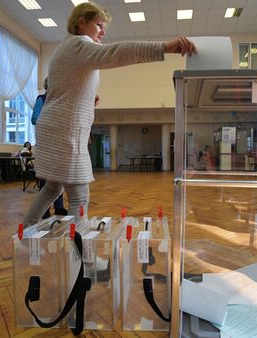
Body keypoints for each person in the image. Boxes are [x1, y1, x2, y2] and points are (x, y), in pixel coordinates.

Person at [24, 1, 196, 225]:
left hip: (55, 126)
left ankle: (25, 232)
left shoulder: (66, 47)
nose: (103, 32)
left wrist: (86, 98)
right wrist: (164, 47)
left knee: (52, 188)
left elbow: (62, 90)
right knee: (79, 197)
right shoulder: (79, 44)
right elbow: (117, 53)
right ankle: (83, 258)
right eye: (98, 25)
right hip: (64, 132)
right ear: (81, 23)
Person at [31, 78, 68, 218]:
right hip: (46, 144)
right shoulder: (42, 99)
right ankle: (45, 209)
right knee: (45, 177)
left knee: (59, 176)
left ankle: (59, 206)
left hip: (59, 144)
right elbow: (35, 118)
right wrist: (53, 123)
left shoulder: (60, 100)